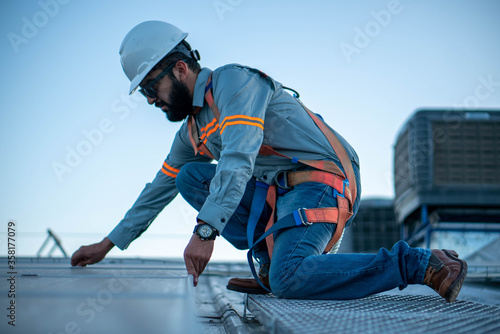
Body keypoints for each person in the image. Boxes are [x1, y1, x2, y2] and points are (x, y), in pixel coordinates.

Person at [71, 21, 467, 302]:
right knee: (189, 176)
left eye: (149, 87)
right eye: (143, 93)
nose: (151, 100)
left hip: (322, 182)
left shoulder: (232, 83)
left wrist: (205, 233)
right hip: (280, 192)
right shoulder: (191, 132)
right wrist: (107, 245)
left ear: (179, 68)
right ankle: (270, 262)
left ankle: (419, 264)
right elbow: (155, 191)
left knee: (291, 279)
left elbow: (240, 157)